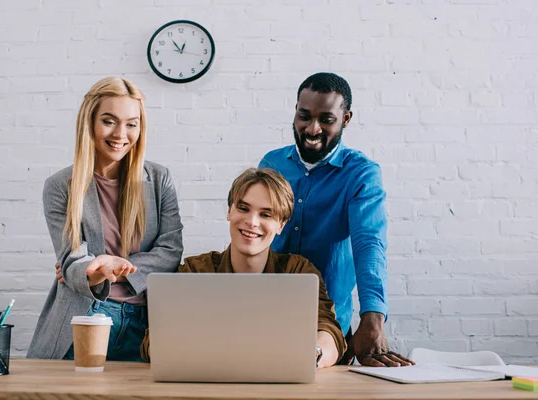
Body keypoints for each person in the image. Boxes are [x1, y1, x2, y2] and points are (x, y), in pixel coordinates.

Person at [259, 72, 413, 367]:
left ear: (346, 118)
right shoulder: (272, 164)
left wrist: (373, 317)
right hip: (267, 318)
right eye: (304, 116)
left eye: (326, 119)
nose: (312, 128)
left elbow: (369, 244)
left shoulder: (360, 174)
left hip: (327, 329)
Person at [27, 77, 183, 361]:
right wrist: (92, 270)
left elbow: (170, 252)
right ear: (89, 122)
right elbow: (72, 261)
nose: (121, 133)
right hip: (86, 317)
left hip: (146, 324)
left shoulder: (160, 180)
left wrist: (113, 266)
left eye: (131, 124)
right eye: (109, 121)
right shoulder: (60, 185)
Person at [140, 168, 347, 369]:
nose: (252, 222)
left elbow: (329, 331)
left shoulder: (299, 272)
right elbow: (155, 340)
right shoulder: (196, 270)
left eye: (266, 215)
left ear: (281, 225)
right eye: (243, 208)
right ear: (229, 211)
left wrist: (314, 354)